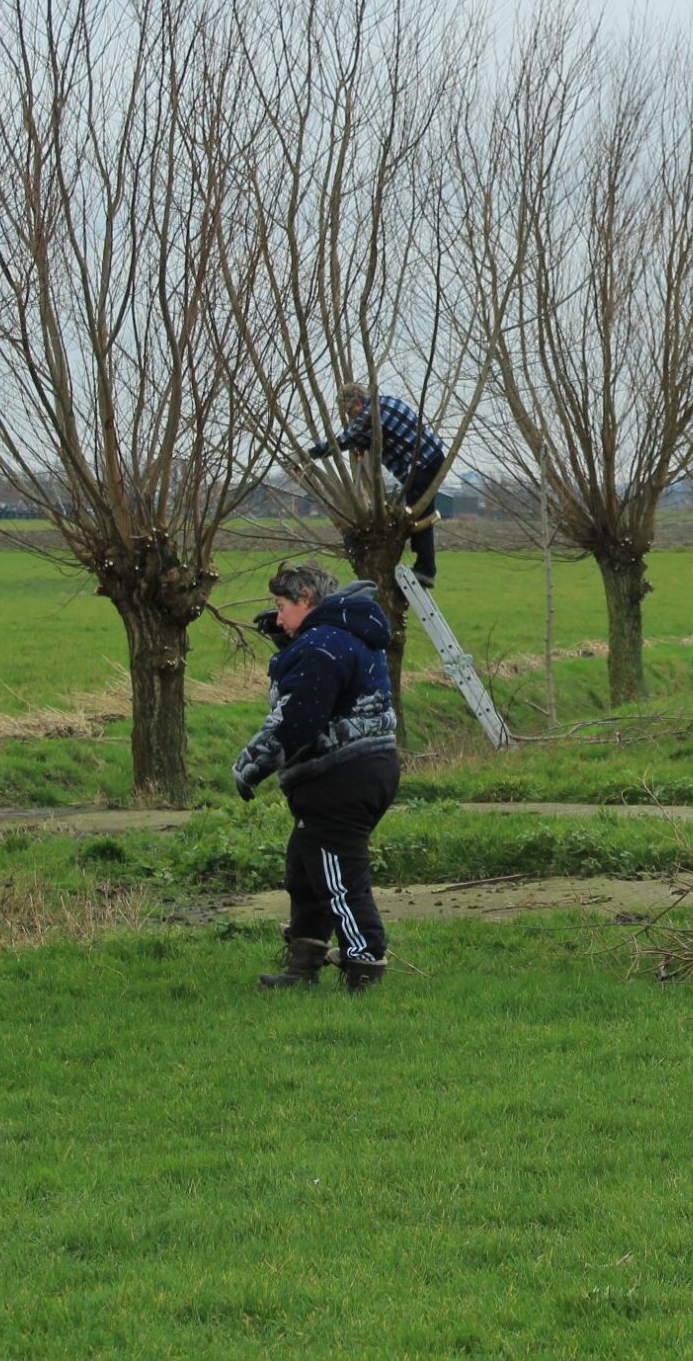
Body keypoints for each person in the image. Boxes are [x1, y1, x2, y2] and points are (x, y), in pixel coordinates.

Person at [235, 562, 400, 992]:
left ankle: (364, 967)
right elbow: (332, 687)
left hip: (338, 777)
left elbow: (298, 720)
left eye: (282, 607)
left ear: (306, 599)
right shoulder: (347, 633)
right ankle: (303, 963)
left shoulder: (321, 646)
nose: (279, 618)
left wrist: (250, 766)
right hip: (373, 766)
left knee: (339, 877)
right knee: (306, 872)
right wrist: (287, 638)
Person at [312, 386, 446, 588]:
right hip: (430, 458)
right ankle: (424, 567)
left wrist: (312, 453)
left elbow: (344, 440)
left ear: (358, 403)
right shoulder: (386, 402)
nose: (350, 417)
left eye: (350, 412)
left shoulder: (370, 414)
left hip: (422, 464)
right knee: (419, 515)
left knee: (418, 517)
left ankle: (425, 570)